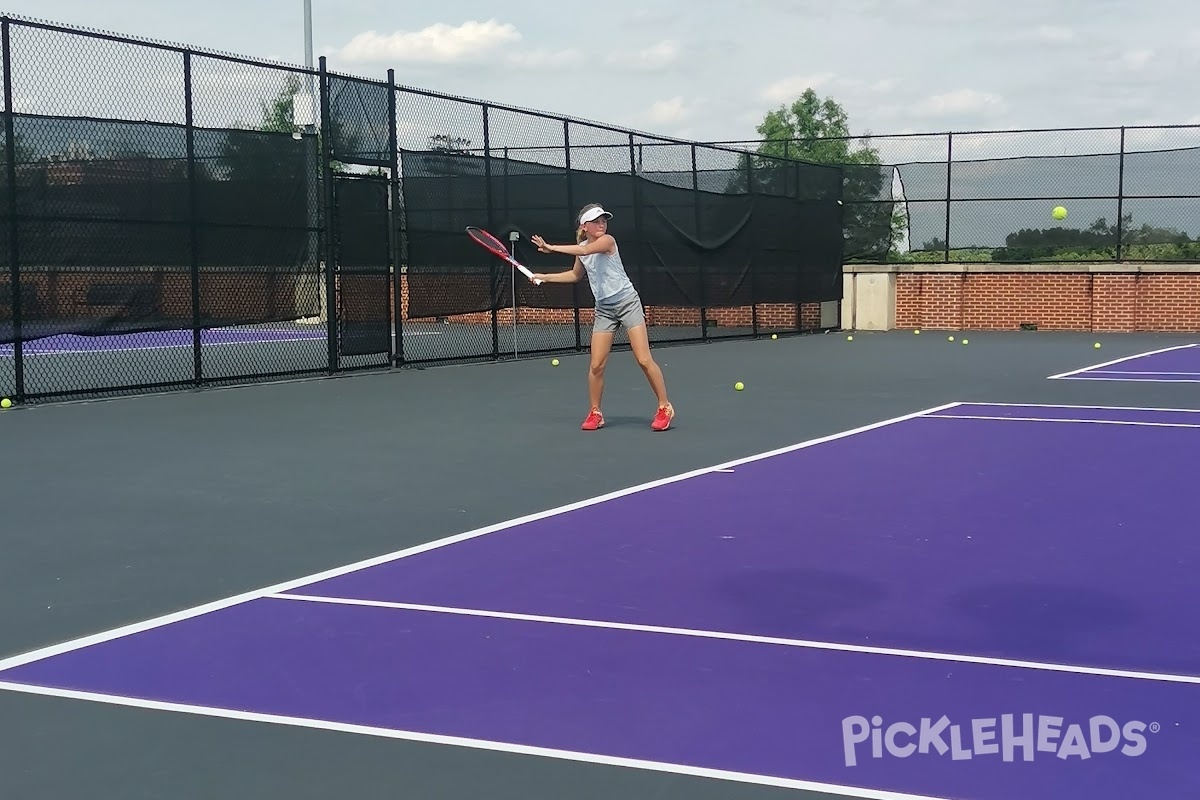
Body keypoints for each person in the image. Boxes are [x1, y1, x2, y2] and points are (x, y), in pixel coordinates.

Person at [530, 203, 674, 432]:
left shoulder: (608, 241)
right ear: (584, 226)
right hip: (604, 309)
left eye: (604, 220)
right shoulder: (581, 247)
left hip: (628, 303)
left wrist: (551, 247)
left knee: (644, 359)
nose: (602, 224)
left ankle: (664, 406)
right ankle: (595, 412)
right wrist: (545, 277)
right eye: (596, 221)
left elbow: (587, 251)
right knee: (596, 365)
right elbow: (575, 275)